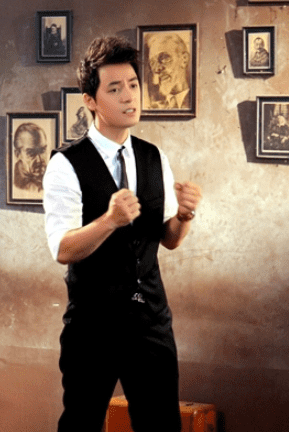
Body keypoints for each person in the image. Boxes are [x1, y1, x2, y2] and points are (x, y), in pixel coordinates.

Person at [43, 36, 202, 432]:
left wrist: (184, 215)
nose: (129, 96)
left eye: (133, 84)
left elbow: (168, 239)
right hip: (92, 326)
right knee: (81, 425)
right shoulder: (66, 164)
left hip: (151, 320)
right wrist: (109, 221)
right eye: (114, 89)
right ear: (91, 100)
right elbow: (63, 249)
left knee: (162, 426)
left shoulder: (153, 156)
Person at [146, 33, 191, 109]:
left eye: (164, 58)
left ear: (184, 59)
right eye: (153, 63)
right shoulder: (155, 108)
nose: (157, 69)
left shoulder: (197, 102)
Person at [13, 122, 48, 193]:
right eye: (31, 153)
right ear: (18, 154)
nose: (39, 160)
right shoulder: (14, 185)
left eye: (42, 151)